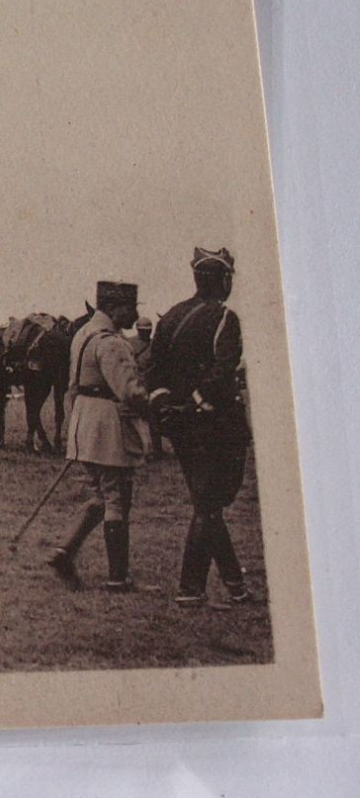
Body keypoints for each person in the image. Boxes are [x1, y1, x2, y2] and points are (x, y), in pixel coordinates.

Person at [148, 247, 253, 608]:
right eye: (228, 279)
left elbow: (154, 374)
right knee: (210, 506)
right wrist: (194, 400)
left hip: (180, 428)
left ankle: (236, 585)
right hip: (217, 425)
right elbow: (224, 370)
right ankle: (190, 590)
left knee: (206, 505)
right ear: (221, 281)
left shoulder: (170, 318)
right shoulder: (225, 318)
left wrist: (165, 405)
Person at [46, 280, 151, 592]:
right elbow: (129, 391)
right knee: (117, 497)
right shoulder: (111, 342)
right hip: (108, 424)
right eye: (130, 308)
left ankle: (65, 551)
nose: (133, 314)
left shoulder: (82, 334)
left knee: (99, 495)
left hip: (85, 420)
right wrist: (155, 400)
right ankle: (118, 578)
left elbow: (72, 386)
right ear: (115, 308)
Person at [130, 316, 162, 457]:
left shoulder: (154, 345)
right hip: (136, 384)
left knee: (153, 418)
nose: (146, 333)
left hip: (149, 384)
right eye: (143, 330)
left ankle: (156, 449)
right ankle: (138, 449)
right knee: (135, 419)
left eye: (148, 331)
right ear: (138, 329)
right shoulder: (129, 343)